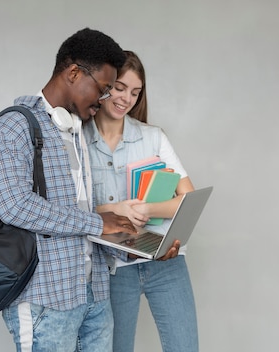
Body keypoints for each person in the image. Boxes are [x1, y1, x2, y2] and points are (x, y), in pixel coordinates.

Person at [0, 29, 179, 352]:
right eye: (102, 90)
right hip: (46, 299)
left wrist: (127, 246)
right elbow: (13, 205)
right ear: (73, 73)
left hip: (94, 295)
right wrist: (99, 223)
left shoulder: (74, 131)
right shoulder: (13, 126)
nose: (105, 101)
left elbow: (80, 217)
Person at [85, 50, 198, 352]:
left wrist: (147, 209)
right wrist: (114, 209)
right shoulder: (78, 139)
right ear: (105, 85)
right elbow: (70, 211)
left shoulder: (153, 137)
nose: (126, 99)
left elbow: (187, 198)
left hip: (165, 261)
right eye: (120, 88)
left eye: (135, 92)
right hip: (112, 269)